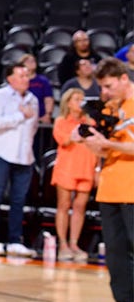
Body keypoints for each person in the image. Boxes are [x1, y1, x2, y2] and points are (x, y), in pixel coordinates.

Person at [79, 58, 134, 302]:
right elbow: (104, 149)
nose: (105, 93)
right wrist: (92, 142)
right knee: (115, 250)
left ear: (124, 79)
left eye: (109, 86)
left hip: (132, 188)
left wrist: (108, 143)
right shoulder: (111, 108)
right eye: (102, 87)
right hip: (110, 188)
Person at [0, 63, 40, 257]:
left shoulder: (33, 99)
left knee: (19, 199)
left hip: (24, 156)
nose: (26, 79)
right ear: (10, 78)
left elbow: (33, 127)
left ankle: (15, 240)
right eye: (21, 75)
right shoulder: (0, 96)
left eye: (27, 76)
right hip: (2, 152)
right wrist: (19, 115)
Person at [52, 88, 96, 261]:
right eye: (76, 99)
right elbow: (64, 140)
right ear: (68, 102)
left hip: (86, 167)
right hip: (67, 167)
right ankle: (62, 244)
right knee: (64, 205)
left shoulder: (91, 123)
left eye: (82, 99)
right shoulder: (61, 121)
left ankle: (74, 243)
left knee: (80, 207)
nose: (80, 102)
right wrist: (75, 132)